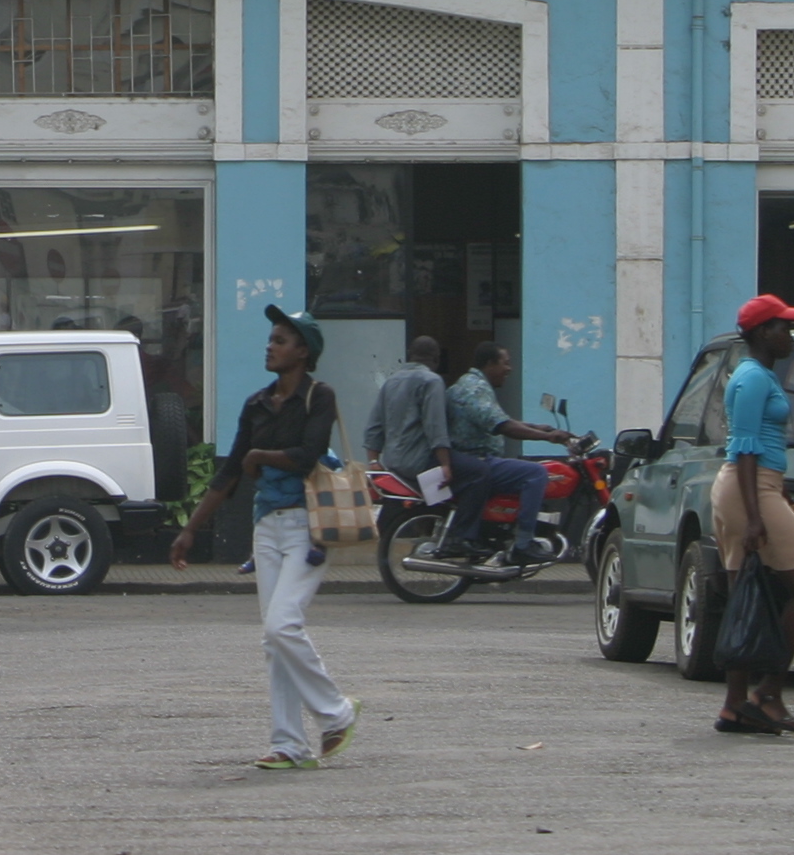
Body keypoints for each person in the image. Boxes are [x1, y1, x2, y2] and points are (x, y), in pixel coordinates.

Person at [170, 305, 359, 772]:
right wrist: (191, 529)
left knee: (282, 625)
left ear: (303, 352)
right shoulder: (256, 403)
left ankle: (337, 712)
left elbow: (309, 453)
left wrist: (262, 454)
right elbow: (232, 471)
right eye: (271, 339)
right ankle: (289, 745)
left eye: (280, 340)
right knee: (274, 641)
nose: (269, 346)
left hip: (309, 528)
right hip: (266, 528)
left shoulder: (321, 396)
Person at [716, 295, 794, 736]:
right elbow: (744, 446)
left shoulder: (759, 375)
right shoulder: (752, 379)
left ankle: (734, 705)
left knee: (749, 595)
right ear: (763, 332)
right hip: (751, 488)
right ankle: (768, 692)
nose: (792, 336)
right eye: (785, 327)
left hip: (757, 487)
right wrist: (757, 515)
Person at [442, 341, 590, 567]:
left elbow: (500, 420)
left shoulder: (469, 385)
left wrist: (538, 427)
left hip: (473, 459)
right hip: (478, 460)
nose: (509, 369)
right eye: (506, 363)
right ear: (490, 363)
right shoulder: (475, 390)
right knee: (536, 473)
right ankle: (523, 544)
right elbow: (504, 426)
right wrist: (547, 437)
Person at [361, 335, 457, 493]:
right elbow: (435, 427)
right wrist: (445, 464)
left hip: (392, 465)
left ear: (409, 355)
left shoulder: (391, 382)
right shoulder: (432, 381)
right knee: (479, 472)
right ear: (436, 358)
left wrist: (373, 461)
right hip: (420, 464)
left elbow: (374, 427)